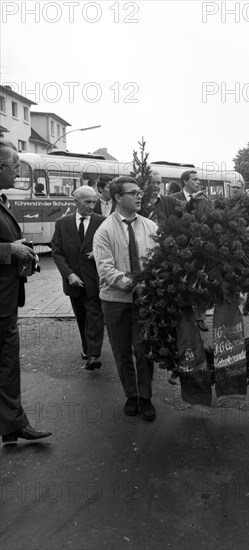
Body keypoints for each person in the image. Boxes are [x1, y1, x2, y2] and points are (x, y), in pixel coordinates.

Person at [93, 176, 158, 421]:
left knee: (143, 351)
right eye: (133, 192)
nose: (139, 195)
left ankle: (146, 397)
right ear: (118, 198)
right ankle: (131, 395)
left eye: (140, 192)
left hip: (144, 301)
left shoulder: (151, 227)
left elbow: (158, 259)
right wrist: (132, 283)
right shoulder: (104, 231)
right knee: (121, 352)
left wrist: (151, 284)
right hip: (115, 301)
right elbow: (105, 269)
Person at [0, 139, 52, 443]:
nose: (18, 172)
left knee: (8, 363)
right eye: (14, 166)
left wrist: (22, 251)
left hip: (6, 300)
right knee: (7, 362)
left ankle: (11, 425)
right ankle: (13, 423)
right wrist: (11, 250)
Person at [51, 186, 106, 369]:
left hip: (95, 280)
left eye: (94, 202)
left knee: (95, 316)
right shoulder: (62, 223)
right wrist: (69, 274)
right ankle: (86, 348)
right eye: (87, 202)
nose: (92, 206)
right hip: (74, 281)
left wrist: (98, 253)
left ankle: (93, 355)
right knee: (82, 317)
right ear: (75, 202)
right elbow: (57, 253)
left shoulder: (102, 222)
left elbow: (111, 247)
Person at [172, 170, 210, 331]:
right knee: (185, 282)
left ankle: (201, 317)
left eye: (199, 179)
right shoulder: (175, 198)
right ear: (185, 182)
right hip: (182, 247)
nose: (198, 182)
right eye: (194, 179)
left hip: (200, 246)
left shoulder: (204, 199)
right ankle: (185, 315)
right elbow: (175, 218)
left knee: (201, 282)